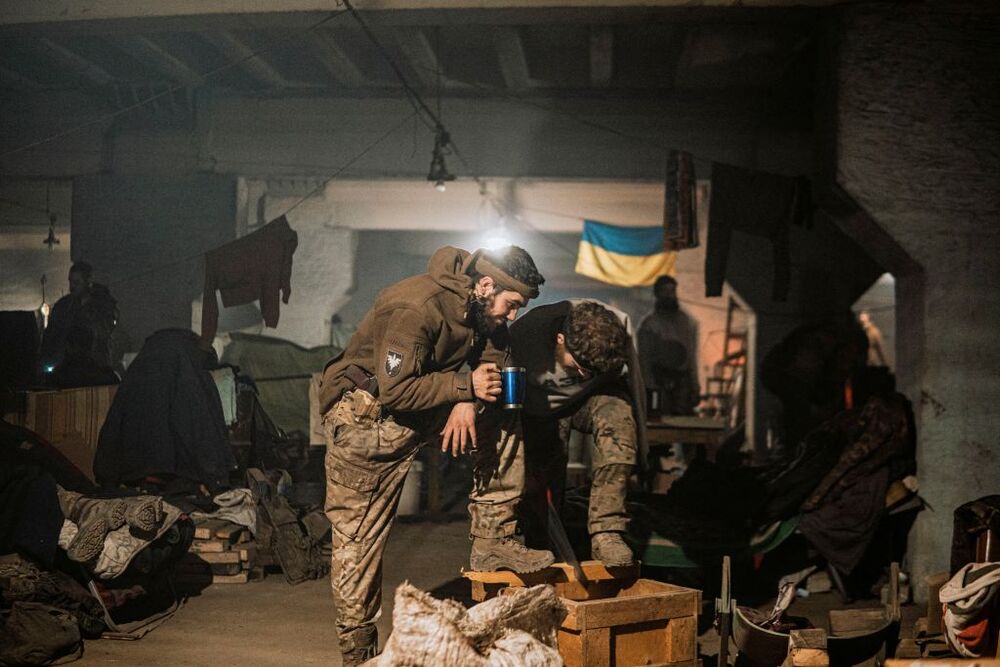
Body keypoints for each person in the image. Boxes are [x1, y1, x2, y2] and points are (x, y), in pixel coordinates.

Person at [317, 245, 554, 665]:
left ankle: (493, 539)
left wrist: (468, 400)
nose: (513, 315)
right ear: (485, 285)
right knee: (358, 541)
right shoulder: (414, 306)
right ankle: (357, 651)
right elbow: (398, 390)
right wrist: (464, 388)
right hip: (366, 421)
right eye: (512, 304)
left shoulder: (483, 310)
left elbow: (496, 353)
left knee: (503, 412)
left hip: (423, 407)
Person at [511, 299, 646, 567]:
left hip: (589, 402)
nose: (584, 376)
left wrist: (641, 451)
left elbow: (635, 389)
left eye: (592, 371)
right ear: (560, 339)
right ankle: (541, 546)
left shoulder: (621, 329)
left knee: (617, 413)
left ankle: (607, 531)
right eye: (578, 367)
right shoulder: (524, 336)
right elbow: (505, 405)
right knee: (544, 493)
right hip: (540, 410)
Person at [39, 262, 118, 377]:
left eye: (77, 282)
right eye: (70, 282)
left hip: (94, 367)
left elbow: (103, 333)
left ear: (88, 281)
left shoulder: (102, 306)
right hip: (68, 366)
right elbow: (52, 334)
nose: (72, 287)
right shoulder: (64, 306)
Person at [637, 276, 699, 417]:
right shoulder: (650, 324)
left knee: (683, 422)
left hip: (682, 382)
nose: (669, 295)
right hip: (659, 382)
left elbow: (691, 354)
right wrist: (649, 386)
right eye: (665, 291)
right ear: (657, 294)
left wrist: (694, 385)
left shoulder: (686, 322)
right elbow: (644, 359)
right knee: (660, 419)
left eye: (672, 291)